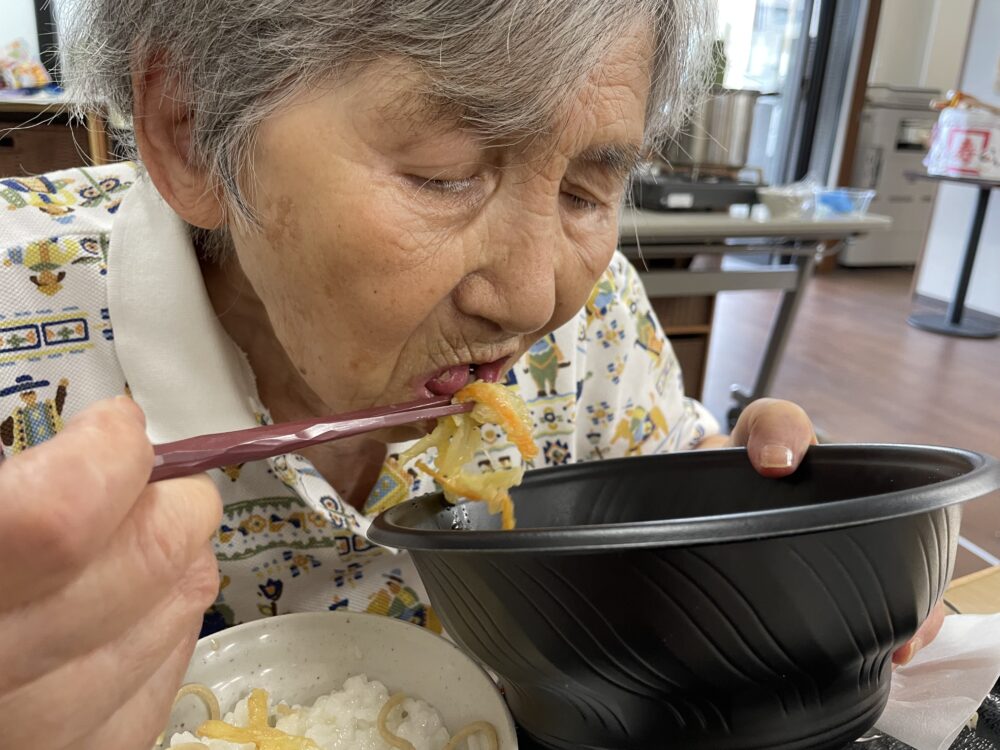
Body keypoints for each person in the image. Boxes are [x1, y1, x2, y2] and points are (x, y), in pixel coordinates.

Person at [0, 1, 942, 747]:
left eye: (586, 193)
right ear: (192, 126)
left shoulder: (594, 318)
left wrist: (758, 527)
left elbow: (660, 481)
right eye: (448, 173)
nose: (534, 298)